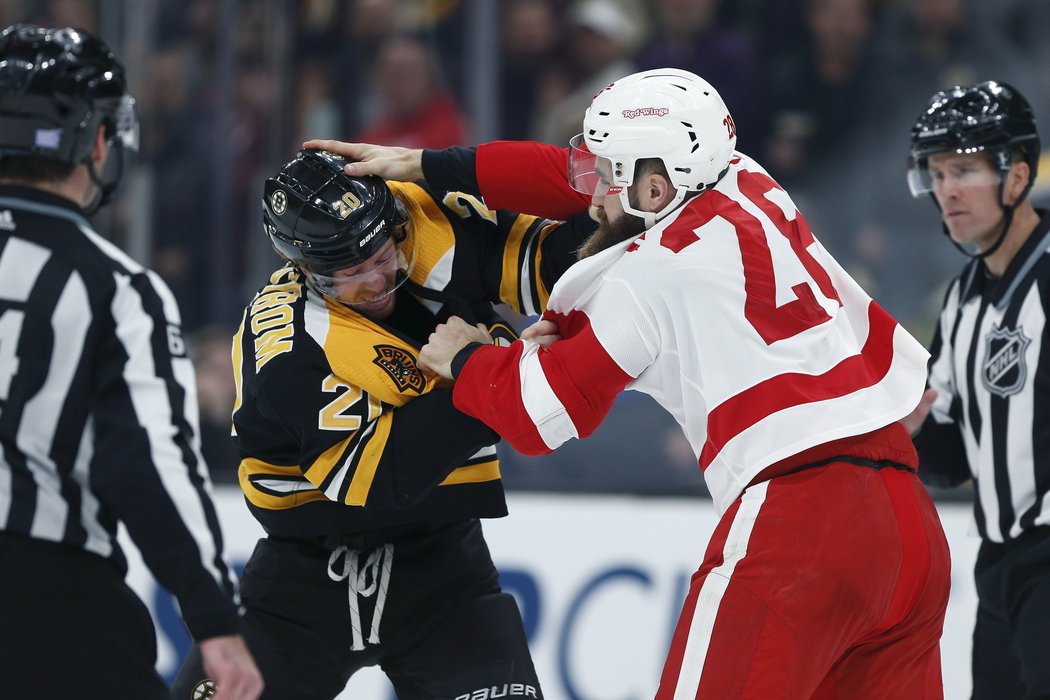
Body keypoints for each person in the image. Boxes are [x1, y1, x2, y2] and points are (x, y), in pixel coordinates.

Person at [316, 67, 952, 698]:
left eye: (609, 173)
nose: (591, 190)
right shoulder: (748, 178)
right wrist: (427, 164)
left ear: (656, 185)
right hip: (911, 526)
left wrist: (468, 361)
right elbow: (559, 177)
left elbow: (540, 417)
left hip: (802, 525)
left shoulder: (646, 277)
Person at [171, 147, 593, 699]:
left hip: (442, 572)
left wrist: (446, 165)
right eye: (351, 272)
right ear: (305, 268)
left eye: (380, 254)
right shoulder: (288, 343)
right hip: (301, 585)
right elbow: (378, 480)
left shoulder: (423, 226)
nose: (378, 279)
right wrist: (492, 371)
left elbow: (572, 257)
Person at [0, 24, 261, 700]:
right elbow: (148, 461)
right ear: (95, 141)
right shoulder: (114, 289)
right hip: (42, 596)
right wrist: (215, 616)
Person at [902, 80, 1049, 700]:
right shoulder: (961, 299)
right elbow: (955, 457)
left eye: (963, 169)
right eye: (936, 174)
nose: (947, 190)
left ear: (1016, 177)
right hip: (999, 563)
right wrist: (911, 424)